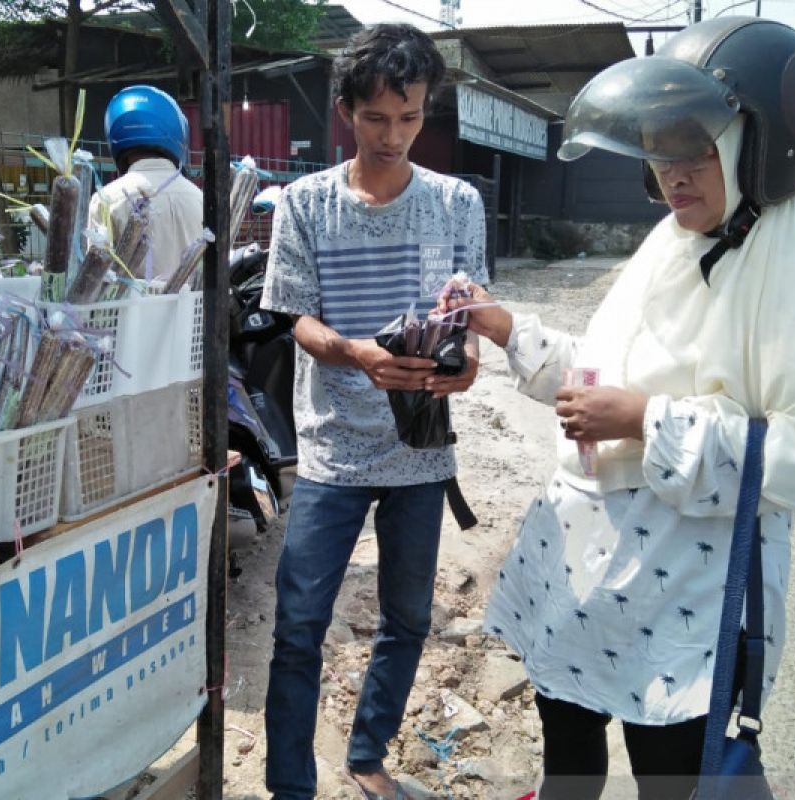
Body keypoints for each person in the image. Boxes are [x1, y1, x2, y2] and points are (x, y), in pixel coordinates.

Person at [438, 17, 795, 800]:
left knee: (669, 781)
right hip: (581, 581)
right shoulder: (674, 241)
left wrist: (646, 421)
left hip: (685, 602)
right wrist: (511, 327)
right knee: (570, 770)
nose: (672, 176)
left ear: (761, 147)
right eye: (660, 153)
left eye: (694, 151)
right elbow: (607, 370)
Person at [260, 23, 488, 800]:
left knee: (408, 620)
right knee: (297, 626)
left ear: (427, 112)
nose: (394, 135)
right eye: (376, 118)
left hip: (421, 451)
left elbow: (470, 312)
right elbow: (295, 316)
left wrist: (466, 363)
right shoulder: (304, 203)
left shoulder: (457, 203)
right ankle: (290, 784)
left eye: (411, 117)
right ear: (346, 112)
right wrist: (356, 352)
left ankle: (366, 756)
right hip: (331, 449)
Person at [88, 84, 203, 281]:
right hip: (195, 312)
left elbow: (93, 279)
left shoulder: (105, 200)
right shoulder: (200, 200)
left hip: (128, 312)